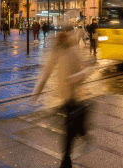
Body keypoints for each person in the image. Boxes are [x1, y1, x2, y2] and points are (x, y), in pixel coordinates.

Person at [32, 24, 90, 168]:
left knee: (68, 128)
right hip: (65, 96)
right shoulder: (58, 50)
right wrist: (38, 90)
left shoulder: (74, 49)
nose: (65, 36)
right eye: (63, 34)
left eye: (67, 33)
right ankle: (69, 154)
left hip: (74, 94)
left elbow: (84, 71)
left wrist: (76, 77)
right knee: (68, 127)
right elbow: (47, 71)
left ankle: (66, 159)